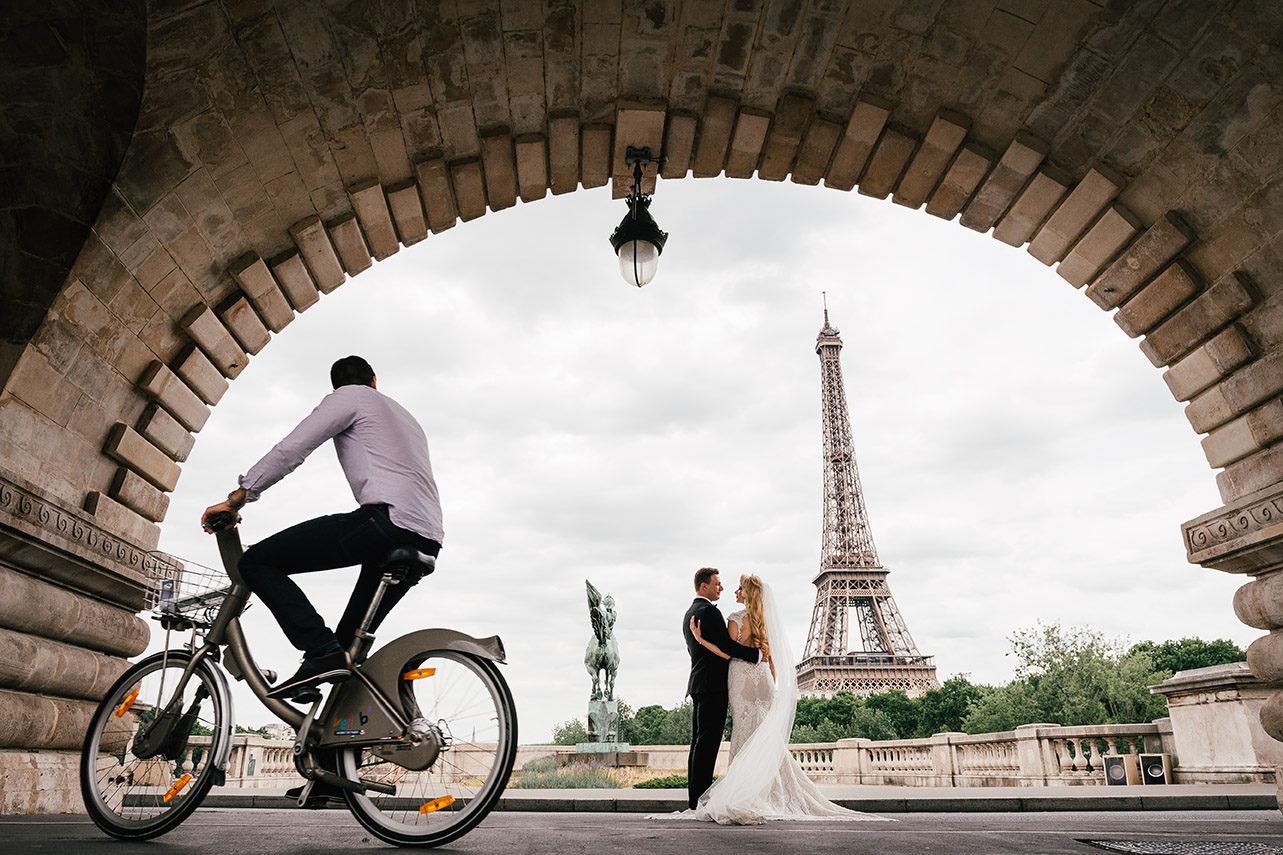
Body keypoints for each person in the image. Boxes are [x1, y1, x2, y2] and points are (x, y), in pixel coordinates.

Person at [200, 355, 443, 701]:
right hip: (429, 536)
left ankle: (318, 650)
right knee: (346, 652)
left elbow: (292, 449)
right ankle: (339, 741)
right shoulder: (406, 417)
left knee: (256, 563)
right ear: (376, 380)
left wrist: (238, 498)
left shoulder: (350, 397)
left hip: (387, 522)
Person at [683, 574, 884, 825]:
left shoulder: (734, 618)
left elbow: (727, 651)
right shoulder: (766, 620)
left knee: (743, 734)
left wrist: (701, 639)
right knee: (766, 735)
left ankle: (743, 791)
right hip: (763, 679)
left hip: (741, 680)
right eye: (721, 584)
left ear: (746, 593)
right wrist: (775, 685)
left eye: (738, 587)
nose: (731, 590)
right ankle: (770, 789)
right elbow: (771, 657)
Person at [682, 567, 762, 810]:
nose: (722, 588)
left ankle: (695, 798)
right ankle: (700, 801)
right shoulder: (709, 612)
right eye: (717, 584)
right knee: (708, 744)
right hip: (713, 686)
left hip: (698, 683)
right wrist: (756, 654)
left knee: (698, 742)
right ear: (704, 585)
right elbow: (727, 647)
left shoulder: (690, 612)